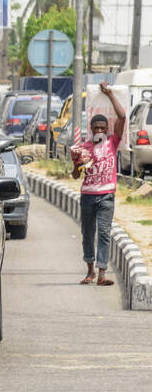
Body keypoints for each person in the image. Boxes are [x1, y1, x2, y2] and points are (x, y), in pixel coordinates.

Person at [71, 83, 125, 286]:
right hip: (87, 196)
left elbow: (122, 117)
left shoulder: (112, 142)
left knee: (104, 233)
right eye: (96, 128)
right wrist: (77, 165)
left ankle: (102, 274)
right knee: (87, 234)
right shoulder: (83, 148)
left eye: (103, 127)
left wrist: (109, 94)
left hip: (106, 196)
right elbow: (76, 175)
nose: (100, 130)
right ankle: (90, 271)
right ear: (91, 129)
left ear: (107, 129)